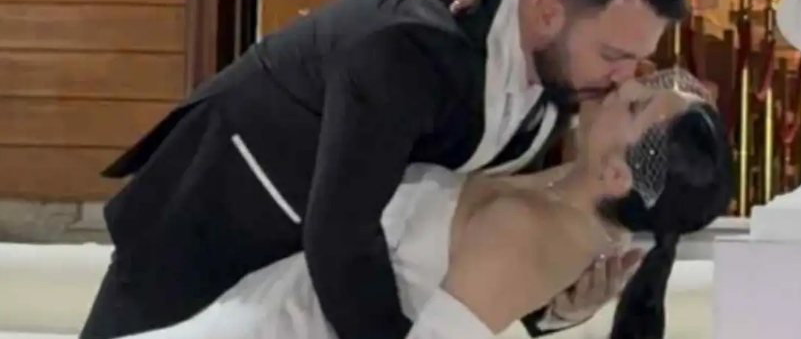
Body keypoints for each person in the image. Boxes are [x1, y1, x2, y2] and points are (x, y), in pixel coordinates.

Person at [80, 0, 687, 339]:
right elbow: (342, 237)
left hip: (322, 269)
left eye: (637, 59)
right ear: (548, 12)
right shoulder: (407, 49)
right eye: (615, 55)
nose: (625, 78)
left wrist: (549, 308)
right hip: (213, 213)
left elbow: (477, 220)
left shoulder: (567, 72)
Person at [114, 70, 732, 339]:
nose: (626, 83)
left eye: (635, 105)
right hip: (263, 298)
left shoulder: (532, 233)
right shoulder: (570, 193)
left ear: (619, 173)